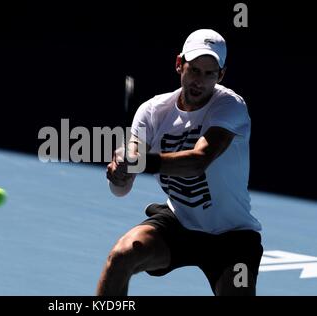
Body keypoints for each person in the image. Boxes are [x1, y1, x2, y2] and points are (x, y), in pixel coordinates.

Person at [97, 29, 263, 296]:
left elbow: (199, 161)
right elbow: (122, 186)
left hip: (233, 237)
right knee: (121, 256)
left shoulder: (230, 107)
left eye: (210, 74)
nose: (200, 80)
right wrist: (121, 173)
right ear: (179, 64)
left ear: (220, 75)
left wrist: (141, 163)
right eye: (194, 70)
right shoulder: (152, 111)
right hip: (179, 223)